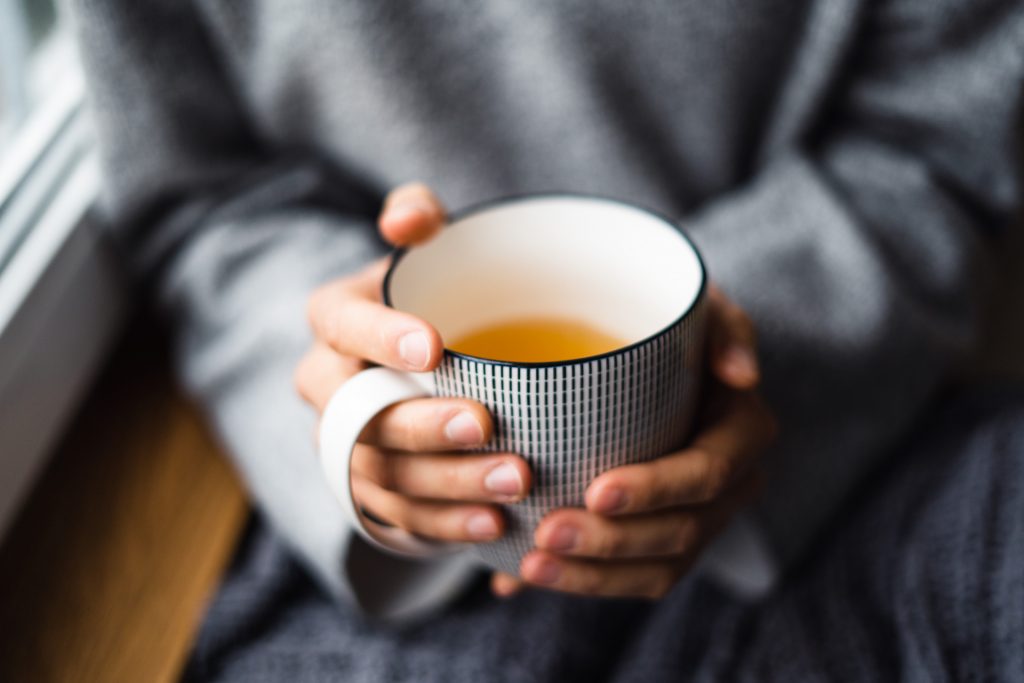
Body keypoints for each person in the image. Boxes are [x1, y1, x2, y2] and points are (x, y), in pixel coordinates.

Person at [72, 0, 1024, 680]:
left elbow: (939, 138)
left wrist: (744, 344)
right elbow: (202, 192)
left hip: (849, 454)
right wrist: (342, 412)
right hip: (387, 565)